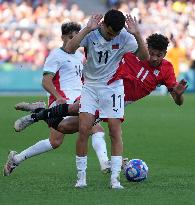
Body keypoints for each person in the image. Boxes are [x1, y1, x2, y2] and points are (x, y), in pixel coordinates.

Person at [11, 33, 187, 186]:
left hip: (117, 103)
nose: (154, 58)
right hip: (102, 90)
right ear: (146, 48)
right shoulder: (132, 53)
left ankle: (42, 109)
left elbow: (177, 101)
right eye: (152, 53)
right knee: (75, 109)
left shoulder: (167, 69)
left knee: (64, 127)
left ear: (165, 54)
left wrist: (178, 94)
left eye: (159, 55)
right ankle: (37, 116)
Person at [3, 22, 110, 177]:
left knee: (89, 127)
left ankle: (16, 158)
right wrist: (59, 97)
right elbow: (46, 81)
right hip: (61, 102)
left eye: (77, 37)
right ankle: (41, 111)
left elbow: (81, 79)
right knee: (61, 139)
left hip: (79, 99)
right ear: (62, 37)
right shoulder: (56, 55)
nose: (74, 40)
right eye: (70, 37)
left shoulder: (80, 57)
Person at [64, 10, 149, 189]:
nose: (112, 37)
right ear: (103, 25)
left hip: (112, 86)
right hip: (90, 86)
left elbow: (144, 57)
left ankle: (115, 180)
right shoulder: (92, 32)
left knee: (114, 130)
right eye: (110, 33)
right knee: (84, 129)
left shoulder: (125, 36)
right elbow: (69, 49)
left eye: (115, 34)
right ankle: (81, 178)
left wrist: (138, 34)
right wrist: (86, 29)